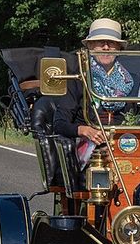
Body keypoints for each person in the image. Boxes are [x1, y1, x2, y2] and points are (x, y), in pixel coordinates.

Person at [53, 18, 134, 152]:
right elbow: (60, 123)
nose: (106, 47)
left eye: (112, 43)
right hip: (89, 149)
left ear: (119, 48)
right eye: (100, 42)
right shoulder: (79, 78)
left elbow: (138, 122)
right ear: (90, 46)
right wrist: (84, 130)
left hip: (124, 147)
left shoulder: (130, 81)